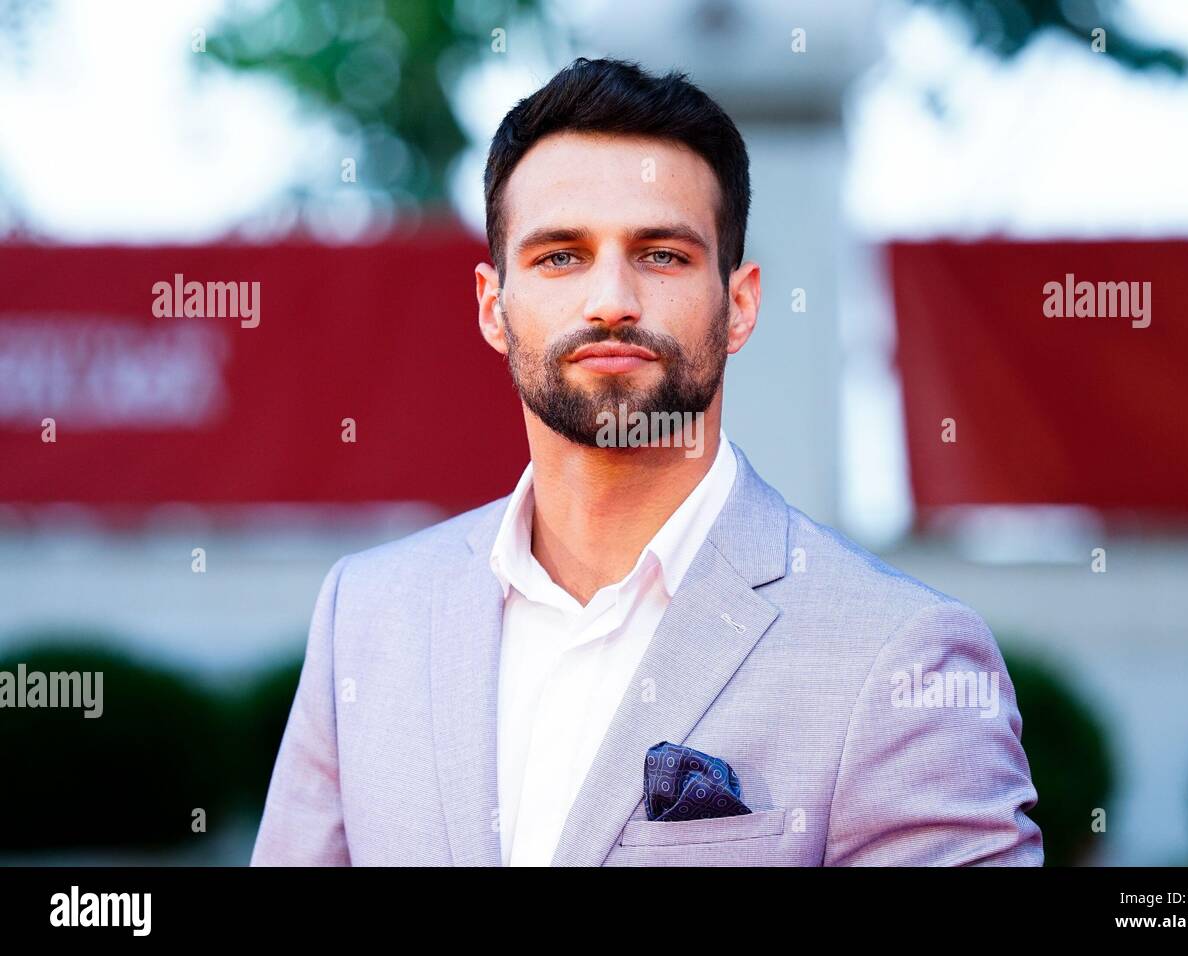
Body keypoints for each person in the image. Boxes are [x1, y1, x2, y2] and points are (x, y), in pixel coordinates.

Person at [250, 57, 1043, 866]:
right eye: (560, 255)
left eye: (661, 254)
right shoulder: (366, 617)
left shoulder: (899, 653)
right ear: (493, 308)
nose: (610, 299)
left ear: (739, 305)